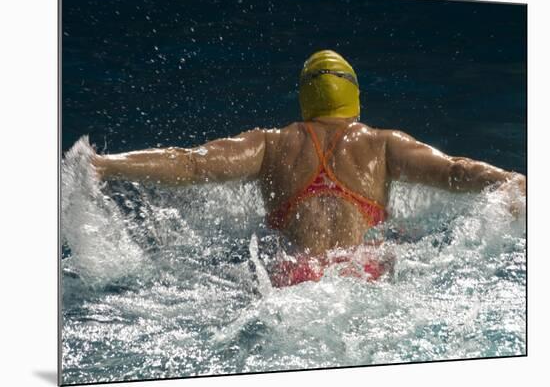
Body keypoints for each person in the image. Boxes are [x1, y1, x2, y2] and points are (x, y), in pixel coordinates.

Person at [92, 50, 526, 287]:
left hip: (287, 280)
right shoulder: (381, 144)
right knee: (395, 251)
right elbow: (455, 171)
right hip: (360, 277)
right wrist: (507, 180)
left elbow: (189, 164)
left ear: (306, 97)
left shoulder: (269, 144)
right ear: (353, 95)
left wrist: (105, 165)